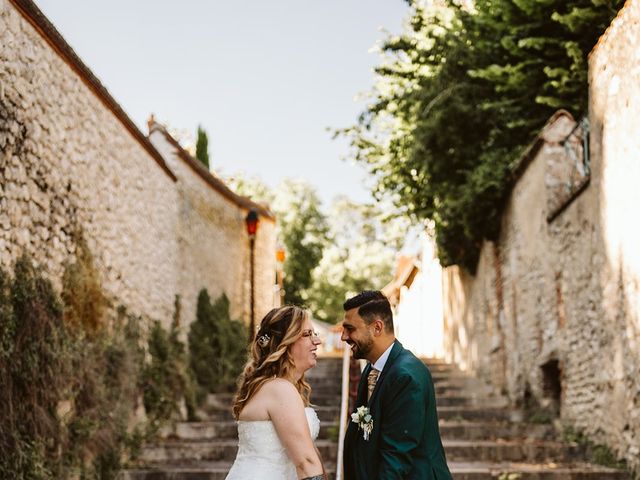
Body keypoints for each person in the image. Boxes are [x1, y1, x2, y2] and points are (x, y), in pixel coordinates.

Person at [341, 290, 452, 479]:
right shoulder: (371, 369)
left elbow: (396, 457)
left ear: (377, 328)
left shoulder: (406, 376)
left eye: (350, 329)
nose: (343, 337)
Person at [226, 305, 326, 480]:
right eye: (307, 334)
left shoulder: (275, 387)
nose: (317, 341)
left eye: (314, 334)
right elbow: (306, 462)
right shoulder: (279, 389)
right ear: (285, 343)